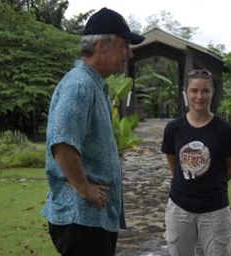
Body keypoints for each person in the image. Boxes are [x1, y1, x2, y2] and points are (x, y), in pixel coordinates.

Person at [41, 7, 144, 256]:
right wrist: (84, 187)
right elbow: (63, 143)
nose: (129, 53)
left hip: (90, 220)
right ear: (103, 46)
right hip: (81, 220)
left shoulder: (92, 84)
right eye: (125, 45)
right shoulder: (80, 85)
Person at [161, 69, 231, 256]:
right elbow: (175, 164)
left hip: (215, 210)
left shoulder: (225, 131)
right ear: (186, 93)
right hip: (179, 207)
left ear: (212, 93)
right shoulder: (174, 128)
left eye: (205, 91)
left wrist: (211, 180)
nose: (199, 96)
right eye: (194, 91)